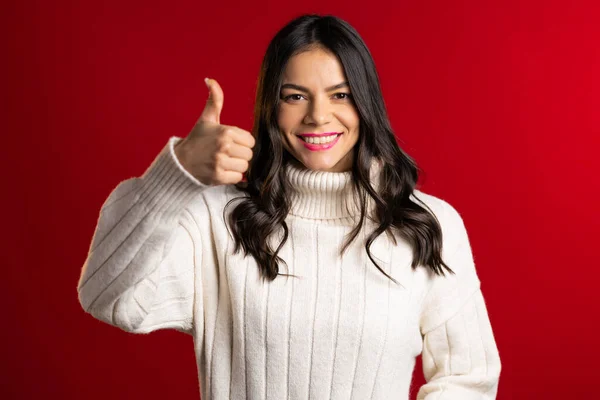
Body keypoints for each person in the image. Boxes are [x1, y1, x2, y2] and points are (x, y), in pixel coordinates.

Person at [77, 13, 501, 400]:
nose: (318, 116)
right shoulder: (217, 219)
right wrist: (176, 174)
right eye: (295, 96)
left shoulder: (429, 224)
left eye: (340, 94)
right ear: (271, 108)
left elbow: (469, 377)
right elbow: (107, 296)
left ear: (366, 103)